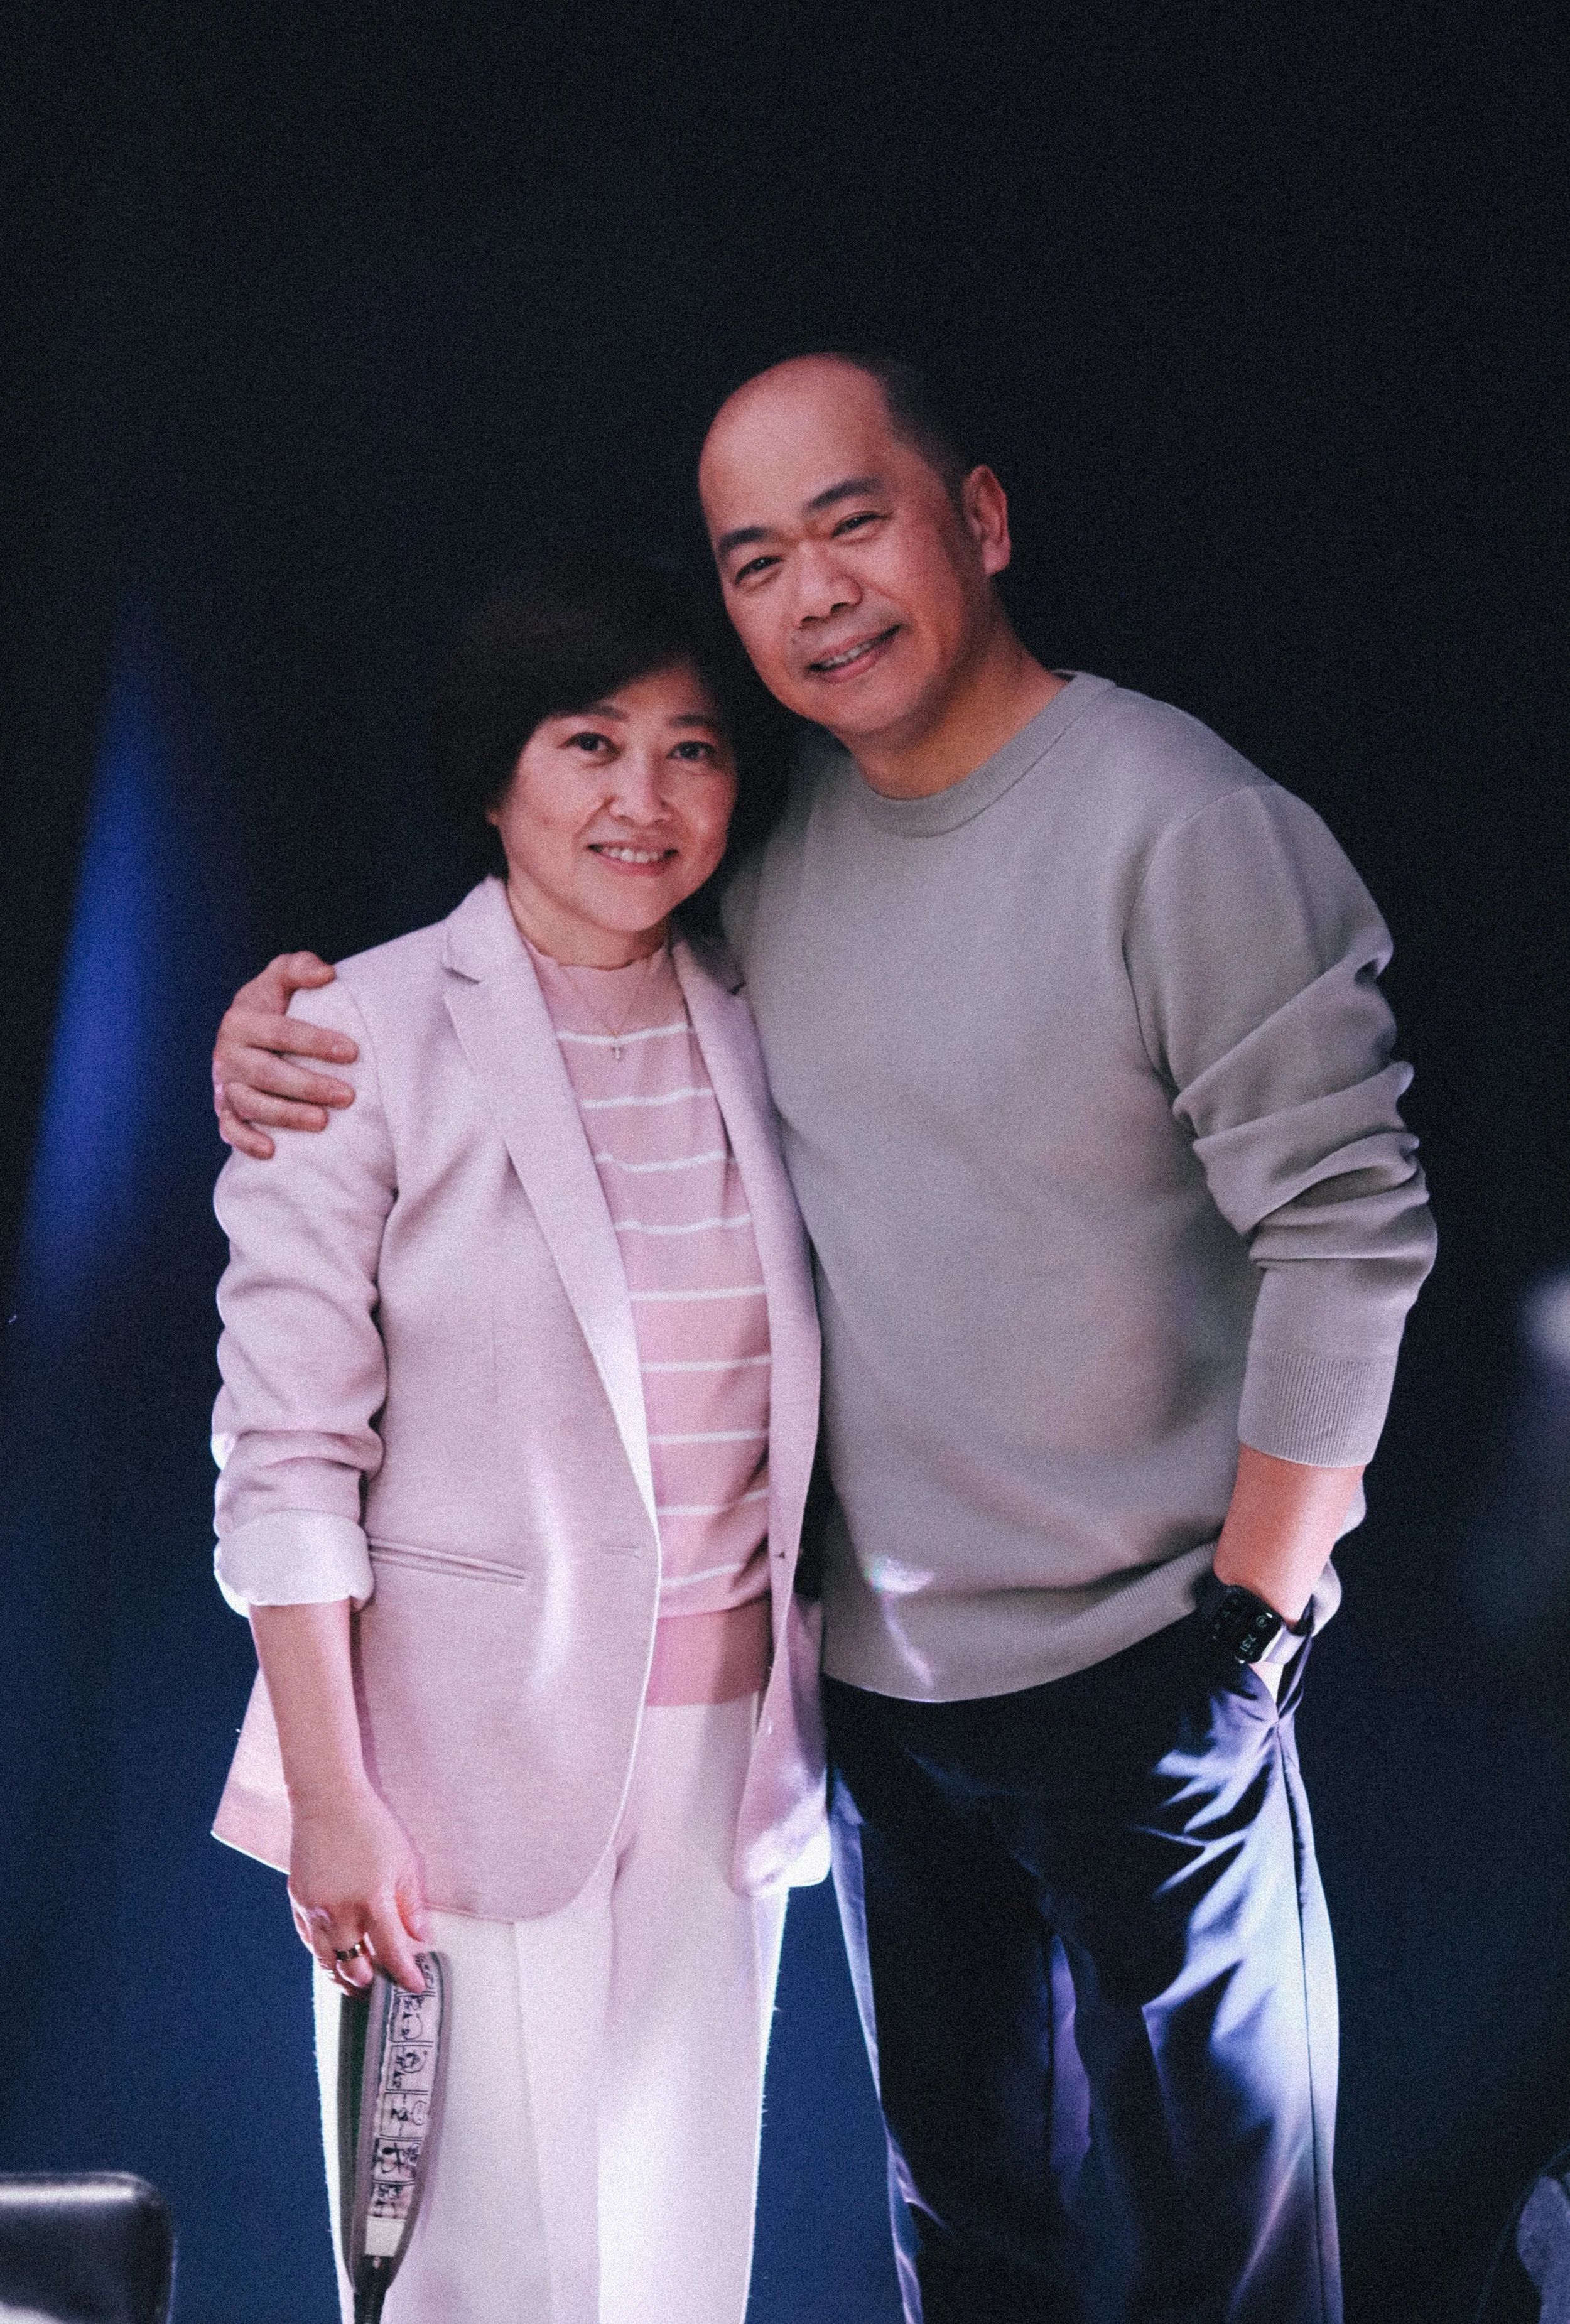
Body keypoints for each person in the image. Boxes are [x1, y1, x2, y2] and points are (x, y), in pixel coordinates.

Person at [214, 355, 1437, 2324]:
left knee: (1222, 2233)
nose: (813, 594)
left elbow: (1353, 1229)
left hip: (1150, 1672)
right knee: (964, 2229)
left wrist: (1252, 1627)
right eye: (756, 558)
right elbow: (510, 1046)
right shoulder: (762, 877)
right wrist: (270, 1039)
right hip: (861, 1698)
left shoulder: (1178, 822)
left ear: (979, 518)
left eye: (851, 524)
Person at [207, 551, 829, 2324]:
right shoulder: (354, 1034)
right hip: (448, 1755)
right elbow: (285, 1454)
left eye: (694, 750)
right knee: (477, 2283)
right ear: (496, 777)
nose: (644, 798)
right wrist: (334, 1794)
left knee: (674, 2275)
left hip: (725, 1760)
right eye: (589, 743)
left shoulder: (762, 1017)